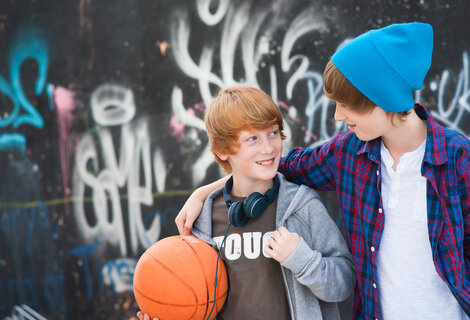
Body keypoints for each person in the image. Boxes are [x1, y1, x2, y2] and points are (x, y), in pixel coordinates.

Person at [175, 23, 470, 320]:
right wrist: (204, 192)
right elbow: (275, 168)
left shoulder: (459, 158)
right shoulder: (347, 153)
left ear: (380, 98)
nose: (337, 116)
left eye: (345, 105)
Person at [138, 86, 355, 320]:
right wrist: (172, 312)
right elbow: (199, 301)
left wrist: (303, 260)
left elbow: (344, 284)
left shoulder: (302, 205)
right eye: (253, 138)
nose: (269, 148)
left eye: (273, 133)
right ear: (222, 150)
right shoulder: (204, 220)